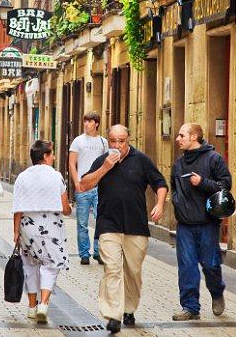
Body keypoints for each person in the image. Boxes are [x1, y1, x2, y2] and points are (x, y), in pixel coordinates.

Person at [80, 125, 168, 334]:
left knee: (133, 272)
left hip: (136, 225)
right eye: (113, 141)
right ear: (108, 141)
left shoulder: (141, 160)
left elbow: (160, 183)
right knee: (112, 269)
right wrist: (105, 168)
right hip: (108, 224)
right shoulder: (103, 160)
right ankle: (113, 315)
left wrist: (160, 204)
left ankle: (129, 308)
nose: (118, 145)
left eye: (122, 141)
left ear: (128, 139)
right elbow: (84, 184)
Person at [170, 123, 231, 321]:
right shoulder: (178, 165)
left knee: (210, 264)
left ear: (194, 137)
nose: (178, 139)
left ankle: (216, 292)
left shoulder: (214, 159)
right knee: (186, 266)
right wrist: (178, 202)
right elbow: (175, 187)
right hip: (185, 224)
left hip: (207, 223)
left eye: (181, 135)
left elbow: (225, 185)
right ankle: (190, 307)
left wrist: (202, 183)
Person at [12, 140, 72, 324]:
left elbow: (17, 208)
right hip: (51, 226)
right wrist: (69, 210)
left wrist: (16, 232)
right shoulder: (56, 176)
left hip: (27, 227)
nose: (53, 157)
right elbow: (64, 207)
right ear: (45, 156)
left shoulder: (22, 177)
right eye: (52, 154)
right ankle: (44, 305)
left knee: (30, 265)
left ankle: (31, 307)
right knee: (50, 265)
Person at [69, 112, 108, 266]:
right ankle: (84, 253)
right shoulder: (78, 141)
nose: (86, 124)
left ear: (96, 124)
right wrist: (76, 182)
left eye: (90, 121)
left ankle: (98, 252)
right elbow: (72, 163)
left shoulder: (103, 142)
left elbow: (107, 163)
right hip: (83, 187)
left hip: (100, 187)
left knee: (101, 220)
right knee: (82, 222)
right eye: (85, 121)